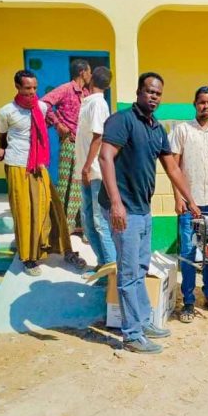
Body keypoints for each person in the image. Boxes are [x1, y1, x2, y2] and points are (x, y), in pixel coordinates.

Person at [98, 72, 201, 354]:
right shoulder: (122, 120)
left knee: (141, 269)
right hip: (124, 209)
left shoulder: (157, 129)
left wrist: (191, 200)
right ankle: (132, 335)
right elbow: (105, 157)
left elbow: (172, 168)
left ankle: (143, 322)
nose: (153, 97)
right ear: (138, 92)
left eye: (158, 93)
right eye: (149, 91)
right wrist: (116, 203)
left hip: (143, 209)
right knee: (129, 272)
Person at [0, 70, 86, 276]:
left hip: (38, 164)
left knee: (52, 207)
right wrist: (3, 149)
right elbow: (2, 136)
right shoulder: (7, 111)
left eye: (35, 87)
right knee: (23, 212)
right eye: (27, 88)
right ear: (17, 87)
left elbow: (51, 120)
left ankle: (61, 248)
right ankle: (29, 258)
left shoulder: (41, 108)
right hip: (17, 165)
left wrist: (61, 125)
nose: (32, 92)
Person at [171, 86, 208, 323]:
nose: (205, 106)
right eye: (201, 102)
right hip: (189, 204)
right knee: (188, 253)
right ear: (194, 104)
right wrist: (178, 198)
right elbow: (174, 167)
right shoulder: (182, 130)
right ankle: (188, 301)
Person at [41, 59, 92, 235]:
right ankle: (59, 226)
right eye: (89, 71)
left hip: (83, 145)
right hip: (69, 142)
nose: (90, 75)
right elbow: (44, 103)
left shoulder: (86, 93)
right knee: (64, 185)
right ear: (82, 72)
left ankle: (71, 226)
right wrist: (57, 124)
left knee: (78, 186)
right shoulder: (66, 89)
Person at [75, 66, 116, 275]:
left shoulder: (98, 104)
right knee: (88, 220)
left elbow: (98, 137)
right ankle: (103, 264)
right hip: (86, 171)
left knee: (100, 221)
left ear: (91, 80)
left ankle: (111, 269)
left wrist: (86, 167)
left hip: (95, 172)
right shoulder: (89, 102)